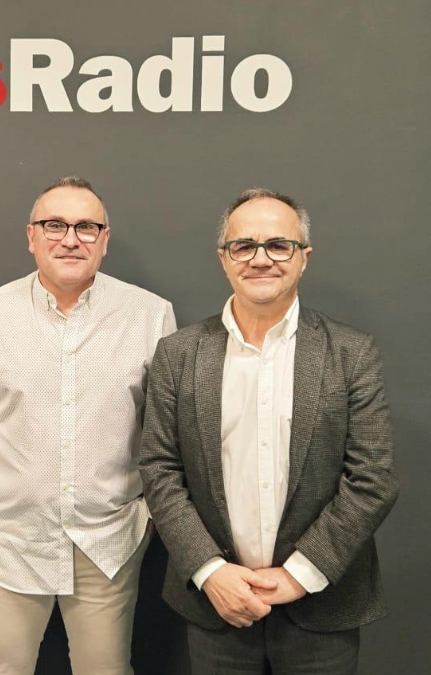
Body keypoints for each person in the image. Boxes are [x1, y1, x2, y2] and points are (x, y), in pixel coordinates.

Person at [139, 188, 399, 675]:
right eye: (244, 246)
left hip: (321, 606)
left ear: (304, 257)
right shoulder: (178, 354)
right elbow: (158, 469)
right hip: (215, 607)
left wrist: (300, 574)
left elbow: (373, 479)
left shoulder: (351, 353)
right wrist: (211, 571)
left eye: (279, 245)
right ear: (224, 258)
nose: (261, 259)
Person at [0, 177, 176, 675]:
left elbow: (167, 431)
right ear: (31, 236)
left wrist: (150, 513)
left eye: (86, 227)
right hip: (9, 543)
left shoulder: (150, 316)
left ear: (104, 240)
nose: (70, 239)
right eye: (55, 225)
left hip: (109, 541)